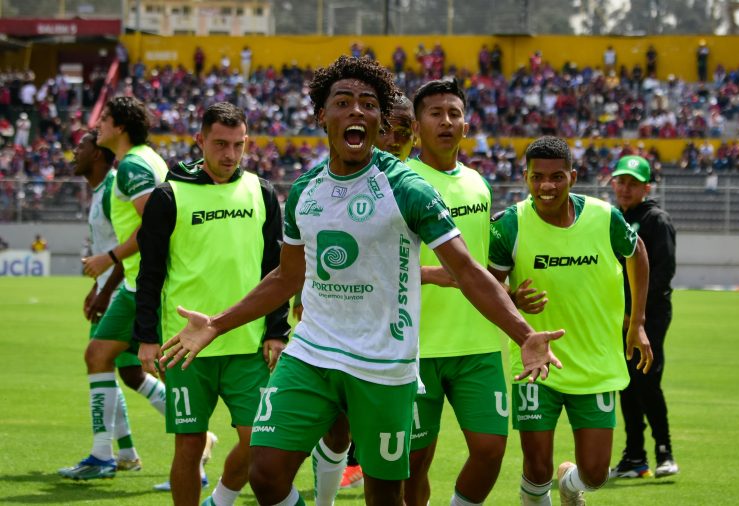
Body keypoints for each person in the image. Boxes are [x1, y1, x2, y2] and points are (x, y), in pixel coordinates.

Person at [160, 55, 564, 506]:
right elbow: (286, 275)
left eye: (369, 104)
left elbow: (467, 270)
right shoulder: (303, 190)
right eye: (344, 102)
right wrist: (216, 323)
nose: (357, 111)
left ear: (380, 120)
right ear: (322, 115)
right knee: (267, 472)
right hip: (312, 353)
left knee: (385, 495)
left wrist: (524, 333)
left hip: (383, 363)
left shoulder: (408, 188)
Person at [134, 102, 290, 506]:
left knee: (259, 441)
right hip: (184, 347)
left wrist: (276, 330)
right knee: (188, 445)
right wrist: (147, 337)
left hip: (246, 345)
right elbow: (149, 273)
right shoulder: (169, 196)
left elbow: (275, 269)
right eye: (220, 144)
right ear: (200, 140)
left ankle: (220, 499)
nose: (230, 155)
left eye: (238, 145)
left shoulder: (263, 192)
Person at [487, 136, 653, 506]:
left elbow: (637, 252)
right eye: (538, 176)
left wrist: (637, 322)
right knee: (536, 467)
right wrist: (513, 299)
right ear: (525, 177)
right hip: (535, 366)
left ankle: (569, 482)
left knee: (594, 475)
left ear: (573, 177)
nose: (547, 185)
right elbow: (487, 287)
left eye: (557, 176)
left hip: (595, 363)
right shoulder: (508, 226)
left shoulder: (605, 216)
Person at [403, 77, 509, 506]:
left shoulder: (478, 184)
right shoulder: (400, 180)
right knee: (414, 464)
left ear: (466, 125)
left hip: (478, 343)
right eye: (435, 113)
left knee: (491, 449)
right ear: (415, 127)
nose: (446, 121)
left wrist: (507, 297)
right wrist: (429, 274)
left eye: (454, 113)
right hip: (416, 346)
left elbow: (481, 261)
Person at [310, 93, 418, 505]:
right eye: (387, 129)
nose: (393, 139)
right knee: (337, 430)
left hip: (409, 347)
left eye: (403, 132)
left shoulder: (420, 188)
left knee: (404, 467)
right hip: (341, 334)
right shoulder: (331, 184)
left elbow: (467, 264)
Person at [60, 96, 168, 481]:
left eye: (103, 120)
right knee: (122, 365)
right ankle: (119, 452)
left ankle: (107, 454)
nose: (96, 127)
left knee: (110, 360)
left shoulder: (130, 169)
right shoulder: (146, 160)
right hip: (140, 282)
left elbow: (152, 225)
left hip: (140, 283)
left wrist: (108, 262)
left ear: (119, 126)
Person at [609, 155, 678, 479]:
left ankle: (664, 450)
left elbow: (662, 273)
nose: (625, 188)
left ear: (647, 187)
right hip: (619, 318)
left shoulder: (655, 220)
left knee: (647, 381)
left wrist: (636, 316)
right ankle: (635, 456)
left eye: (633, 183)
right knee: (626, 384)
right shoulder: (613, 219)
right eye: (621, 181)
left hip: (649, 316)